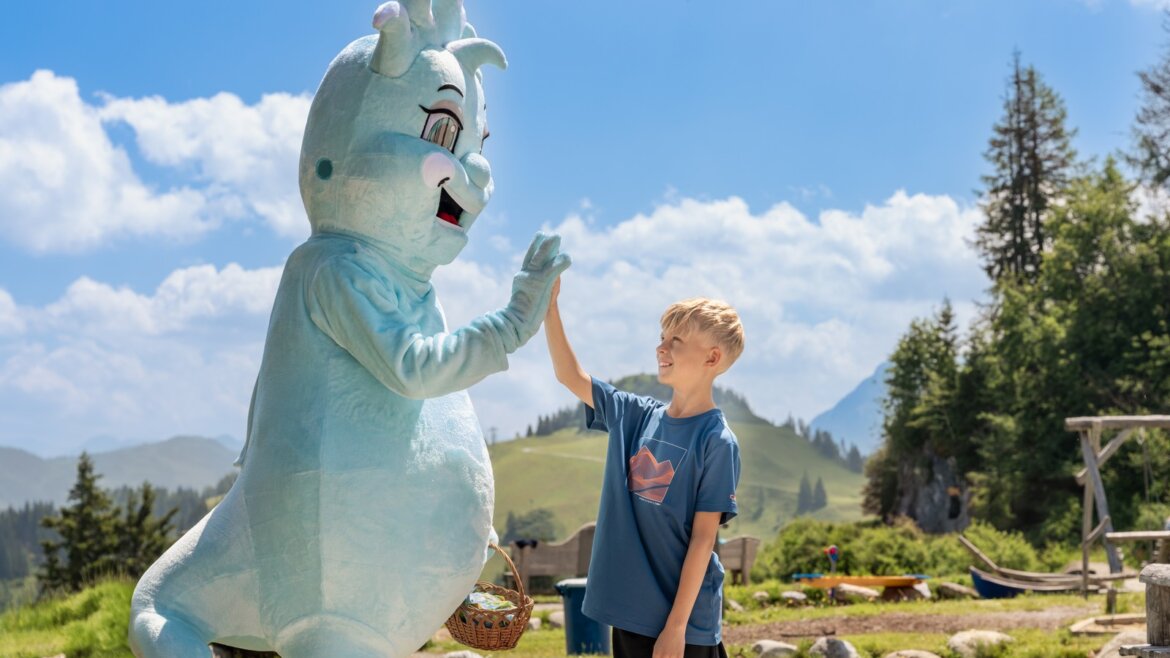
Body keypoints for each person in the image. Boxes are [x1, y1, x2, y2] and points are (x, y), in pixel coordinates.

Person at [543, 278, 744, 658]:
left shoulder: (716, 441)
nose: (661, 348)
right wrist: (549, 308)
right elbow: (570, 376)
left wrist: (676, 628)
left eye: (676, 342)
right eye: (662, 337)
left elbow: (704, 540)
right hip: (630, 613)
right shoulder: (635, 415)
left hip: (682, 625)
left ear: (712, 358)